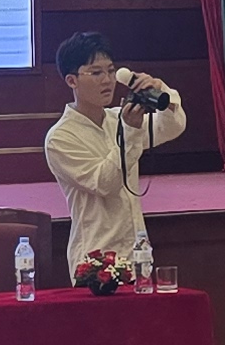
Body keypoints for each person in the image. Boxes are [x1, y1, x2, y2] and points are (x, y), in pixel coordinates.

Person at [43, 32, 186, 269]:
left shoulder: (119, 118)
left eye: (111, 71)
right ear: (72, 80)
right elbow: (105, 183)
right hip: (95, 259)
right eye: (96, 73)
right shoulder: (60, 138)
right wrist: (130, 132)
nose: (107, 80)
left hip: (137, 254)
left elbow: (172, 127)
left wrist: (162, 91)